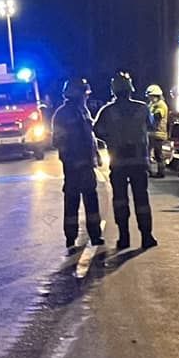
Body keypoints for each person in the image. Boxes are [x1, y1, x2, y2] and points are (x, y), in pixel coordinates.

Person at [94, 71, 156, 250]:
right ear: (130, 89)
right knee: (142, 200)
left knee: (120, 200)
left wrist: (111, 139)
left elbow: (97, 130)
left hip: (119, 162)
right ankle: (146, 237)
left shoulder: (107, 111)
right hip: (139, 162)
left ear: (114, 90)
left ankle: (124, 237)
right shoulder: (142, 108)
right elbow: (151, 125)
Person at [51, 78, 105, 252]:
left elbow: (90, 135)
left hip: (86, 165)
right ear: (77, 94)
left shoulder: (83, 111)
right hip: (73, 167)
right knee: (72, 201)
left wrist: (96, 154)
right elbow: (57, 141)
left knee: (90, 200)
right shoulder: (62, 114)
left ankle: (95, 235)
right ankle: (71, 238)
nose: (86, 97)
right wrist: (71, 158)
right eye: (84, 94)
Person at [146, 83, 170, 176]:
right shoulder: (153, 104)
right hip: (152, 133)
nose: (149, 98)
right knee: (150, 153)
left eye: (150, 96)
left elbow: (157, 116)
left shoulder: (160, 105)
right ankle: (151, 171)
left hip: (157, 133)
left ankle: (160, 172)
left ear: (155, 95)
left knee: (157, 154)